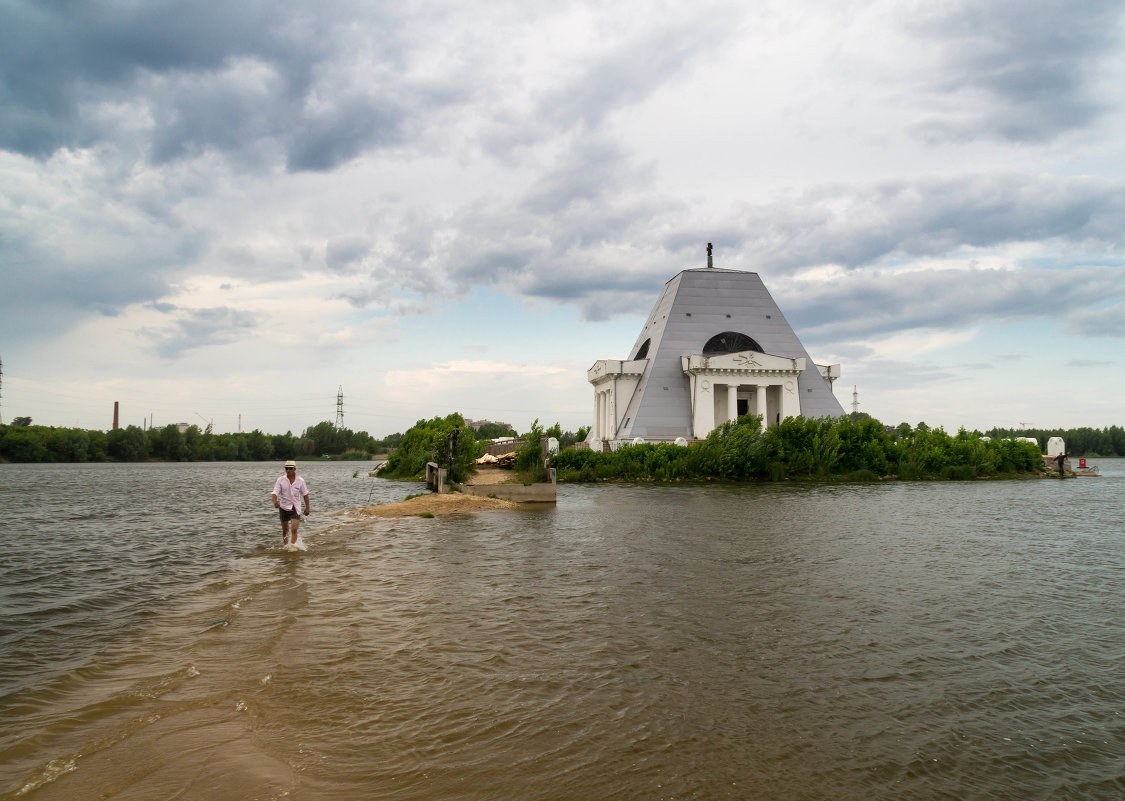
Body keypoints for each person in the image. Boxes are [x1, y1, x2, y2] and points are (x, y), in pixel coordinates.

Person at [272, 459, 310, 546]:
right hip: (283, 506)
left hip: (295, 507)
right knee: (285, 530)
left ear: (294, 469)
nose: (288, 470)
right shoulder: (280, 480)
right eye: (286, 468)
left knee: (294, 528)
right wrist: (275, 502)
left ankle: (292, 547)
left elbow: (305, 494)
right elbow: (275, 493)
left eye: (290, 468)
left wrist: (307, 508)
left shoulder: (300, 481)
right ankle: (286, 546)